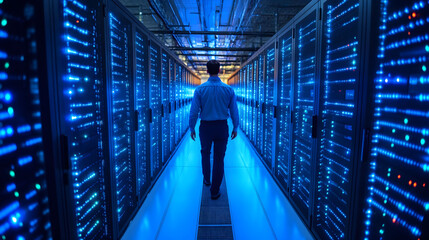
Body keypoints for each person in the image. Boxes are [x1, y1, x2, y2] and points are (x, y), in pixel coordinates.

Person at [189, 60, 239, 200]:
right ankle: (215, 191)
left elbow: (194, 111)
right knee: (219, 158)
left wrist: (192, 127)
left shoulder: (200, 89)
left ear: (207, 71)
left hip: (205, 127)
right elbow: (234, 110)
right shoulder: (228, 89)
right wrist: (235, 127)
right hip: (222, 126)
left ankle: (206, 179)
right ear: (220, 71)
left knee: (205, 153)